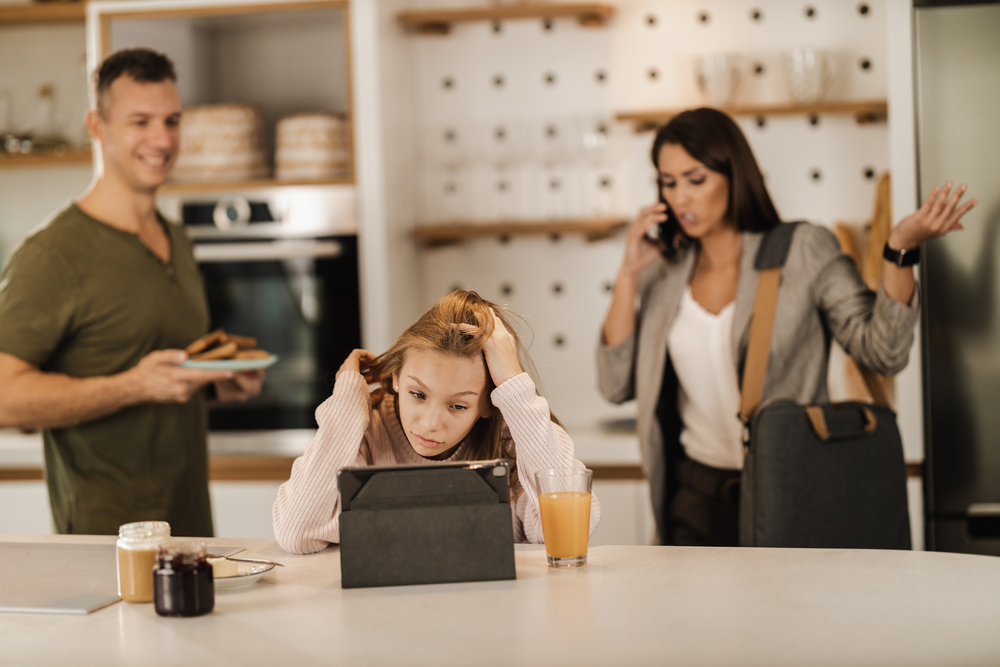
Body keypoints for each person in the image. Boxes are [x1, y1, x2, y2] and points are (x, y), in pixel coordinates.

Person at [597, 107, 976, 547]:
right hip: (692, 501)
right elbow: (614, 383)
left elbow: (884, 351)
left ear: (734, 174)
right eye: (668, 181)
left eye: (695, 179)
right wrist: (627, 276)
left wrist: (899, 250)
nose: (680, 197)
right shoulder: (664, 273)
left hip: (791, 491)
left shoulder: (803, 249)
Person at [0, 48, 263, 536]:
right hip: (106, 541)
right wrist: (131, 385)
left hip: (190, 532)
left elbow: (159, 374)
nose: (162, 139)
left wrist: (214, 383)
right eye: (140, 121)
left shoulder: (178, 242)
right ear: (97, 127)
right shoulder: (52, 255)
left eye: (172, 120)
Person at [273, 290, 601, 554]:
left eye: (458, 406)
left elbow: (572, 531)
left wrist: (514, 383)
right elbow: (297, 533)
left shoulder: (511, 443)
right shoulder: (364, 435)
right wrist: (345, 409)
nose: (430, 424)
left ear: (489, 402)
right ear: (397, 377)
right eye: (418, 394)